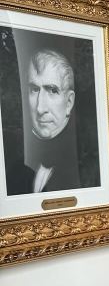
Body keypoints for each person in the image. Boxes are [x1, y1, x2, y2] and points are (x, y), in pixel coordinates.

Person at [25, 49, 80, 192]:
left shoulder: (90, 167)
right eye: (34, 89)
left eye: (52, 90)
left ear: (69, 103)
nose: (40, 108)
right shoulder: (14, 167)